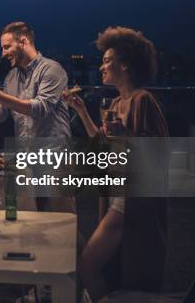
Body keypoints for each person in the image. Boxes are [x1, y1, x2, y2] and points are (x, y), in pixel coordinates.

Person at [64, 26, 169, 302]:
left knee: (87, 263)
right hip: (115, 195)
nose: (101, 67)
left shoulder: (142, 100)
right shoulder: (115, 103)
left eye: (107, 60)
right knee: (109, 269)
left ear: (125, 65)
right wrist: (81, 110)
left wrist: (124, 137)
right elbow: (101, 143)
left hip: (130, 201)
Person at [0, 21, 73, 212]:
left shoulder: (52, 69)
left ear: (23, 42)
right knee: (32, 220)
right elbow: (1, 115)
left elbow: (41, 109)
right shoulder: (11, 77)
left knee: (61, 219)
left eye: (7, 47)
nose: (3, 53)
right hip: (25, 158)